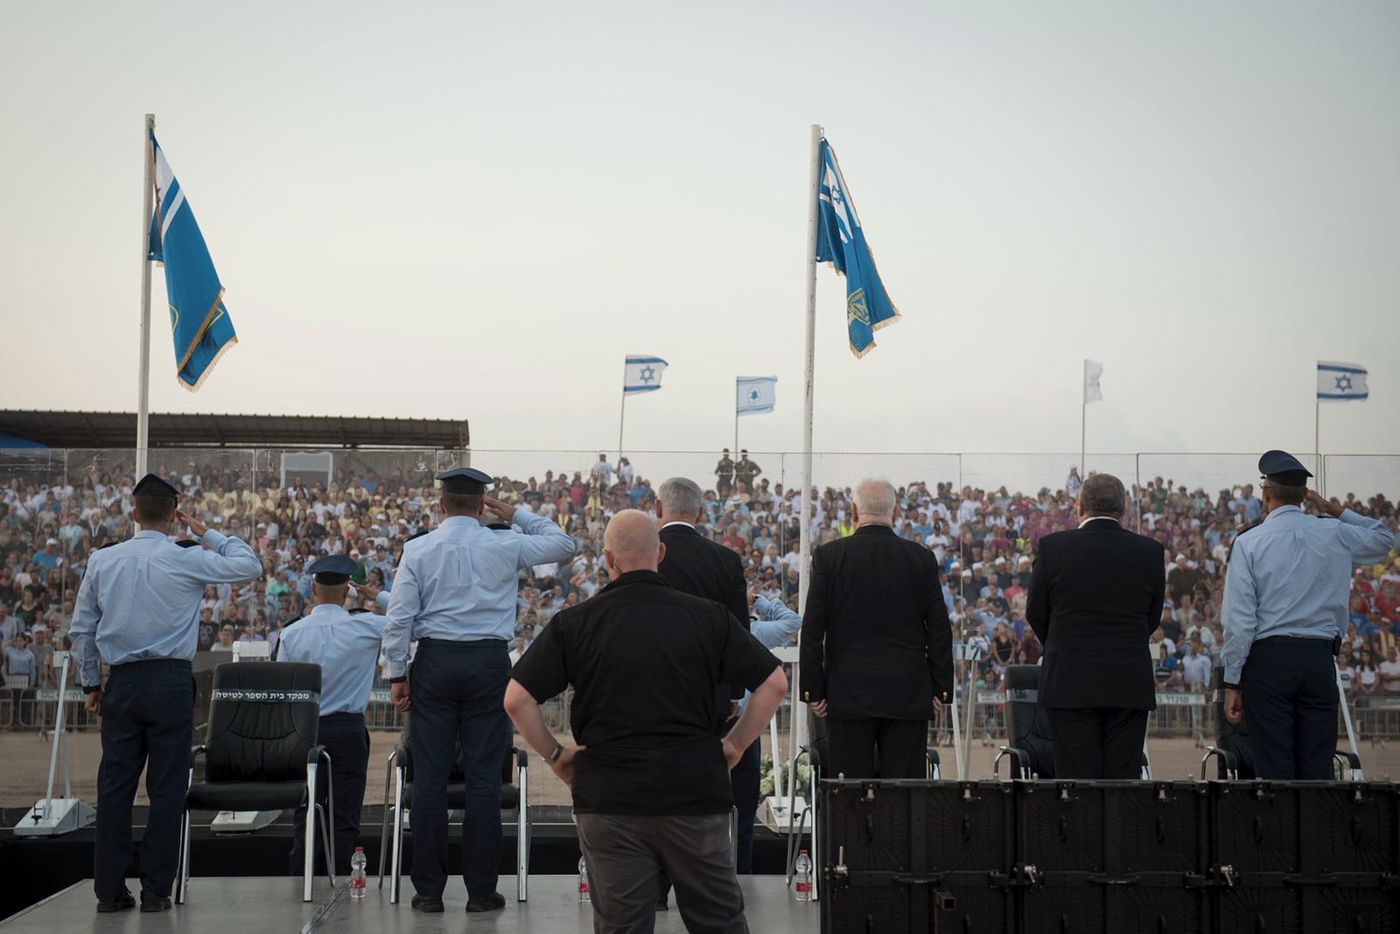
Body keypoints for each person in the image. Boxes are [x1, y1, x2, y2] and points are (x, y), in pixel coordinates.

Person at [504, 510, 787, 934]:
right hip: (694, 790)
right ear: (660, 553)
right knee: (720, 923)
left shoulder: (576, 622)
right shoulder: (709, 616)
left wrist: (557, 756)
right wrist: (735, 745)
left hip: (609, 797)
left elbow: (516, 699)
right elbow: (774, 684)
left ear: (607, 559)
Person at [382, 467, 576, 914]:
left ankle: (428, 890)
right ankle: (481, 891)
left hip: (435, 661)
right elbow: (564, 546)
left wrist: (397, 674)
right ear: (482, 504)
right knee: (485, 780)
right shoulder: (505, 540)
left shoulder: (418, 548)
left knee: (428, 778)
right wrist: (519, 514)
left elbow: (398, 619)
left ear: (441, 504)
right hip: (488, 663)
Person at [69, 474, 261, 914]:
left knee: (115, 787)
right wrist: (205, 531)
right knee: (167, 788)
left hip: (122, 681)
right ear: (175, 516)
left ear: (133, 513)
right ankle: (156, 889)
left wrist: (91, 683)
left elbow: (82, 629)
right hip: (171, 681)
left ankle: (110, 892)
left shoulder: (103, 560)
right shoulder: (187, 556)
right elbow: (249, 565)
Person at [1220, 451, 1395, 779]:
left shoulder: (1248, 543)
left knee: (1274, 768)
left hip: (1268, 661)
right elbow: (1386, 541)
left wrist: (1232, 680)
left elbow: (1239, 621)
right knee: (1317, 767)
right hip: (1318, 659)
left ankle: (1280, 830)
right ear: (1305, 496)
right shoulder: (1335, 531)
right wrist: (1336, 511)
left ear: (1266, 493)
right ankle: (1316, 830)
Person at [800, 478, 953, 779]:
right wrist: (941, 689)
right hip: (907, 692)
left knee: (851, 795)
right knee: (904, 795)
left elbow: (813, 628)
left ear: (854, 511)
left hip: (847, 692)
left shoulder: (829, 557)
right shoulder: (921, 558)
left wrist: (812, 690)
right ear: (894, 512)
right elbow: (938, 628)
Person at [1026, 472, 1164, 779]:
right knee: (1122, 783)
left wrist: (1063, 643)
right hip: (1128, 682)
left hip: (1069, 682)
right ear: (1123, 509)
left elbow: (1036, 612)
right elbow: (1151, 618)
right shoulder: (1149, 551)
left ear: (1079, 507)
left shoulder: (1053, 548)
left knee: (1076, 785)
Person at [652, 476, 752, 896]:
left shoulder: (644, 554)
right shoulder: (725, 562)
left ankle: (654, 888)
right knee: (700, 793)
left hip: (650, 693)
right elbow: (738, 635)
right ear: (699, 512)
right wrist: (731, 693)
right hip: (707, 697)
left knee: (653, 790)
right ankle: (700, 886)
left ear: (659, 509)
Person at [274, 555, 385, 876]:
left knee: (305, 813)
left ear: (313, 588)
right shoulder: (366, 625)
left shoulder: (292, 633)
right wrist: (376, 595)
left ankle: (303, 883)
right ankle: (342, 890)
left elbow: (285, 692)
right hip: (348, 731)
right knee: (345, 816)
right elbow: (416, 621)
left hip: (305, 730)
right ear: (348, 591)